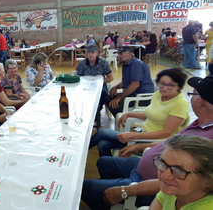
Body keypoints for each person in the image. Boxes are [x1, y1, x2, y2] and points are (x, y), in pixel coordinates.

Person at [81, 75, 213, 210]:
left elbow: (174, 182)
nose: (164, 88)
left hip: (147, 182)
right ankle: (108, 201)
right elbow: (171, 141)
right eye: (162, 83)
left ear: (200, 100)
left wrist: (125, 191)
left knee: (82, 188)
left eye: (193, 93)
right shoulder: (199, 123)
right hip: (144, 165)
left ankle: (113, 197)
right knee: (103, 162)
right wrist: (141, 146)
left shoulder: (208, 139)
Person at [90, 68, 189, 157]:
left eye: (171, 85)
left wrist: (133, 136)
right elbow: (151, 114)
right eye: (162, 83)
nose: (165, 88)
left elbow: (166, 133)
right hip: (143, 134)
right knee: (103, 144)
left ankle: (78, 152)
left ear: (179, 87)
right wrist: (128, 114)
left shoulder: (180, 104)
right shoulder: (158, 95)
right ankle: (112, 171)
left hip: (154, 143)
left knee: (102, 132)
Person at [148, 135, 213, 209]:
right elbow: (159, 201)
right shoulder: (173, 190)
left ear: (208, 183)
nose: (164, 177)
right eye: (163, 164)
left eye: (180, 170)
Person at [105, 46, 154, 117]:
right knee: (107, 98)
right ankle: (123, 119)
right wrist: (115, 87)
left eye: (121, 54)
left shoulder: (136, 64)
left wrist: (118, 98)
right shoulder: (126, 64)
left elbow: (135, 85)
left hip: (142, 97)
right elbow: (126, 82)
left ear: (130, 54)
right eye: (118, 54)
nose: (118, 56)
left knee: (114, 104)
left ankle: (126, 121)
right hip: (134, 94)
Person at [76, 45, 114, 113]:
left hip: (100, 85)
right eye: (88, 52)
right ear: (86, 53)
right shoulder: (82, 64)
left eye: (93, 52)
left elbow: (111, 77)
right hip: (85, 85)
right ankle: (86, 110)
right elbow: (78, 78)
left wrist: (99, 83)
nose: (90, 55)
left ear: (97, 53)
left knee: (103, 93)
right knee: (78, 94)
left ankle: (97, 110)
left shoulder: (103, 63)